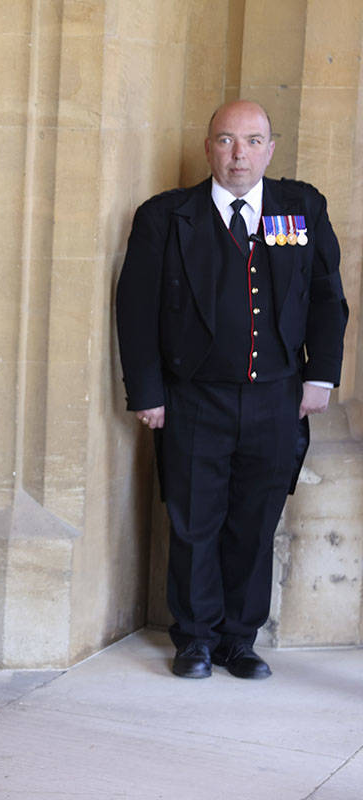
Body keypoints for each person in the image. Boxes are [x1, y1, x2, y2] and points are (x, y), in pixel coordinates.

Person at [115, 99, 348, 681]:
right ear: (208, 148)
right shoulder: (166, 217)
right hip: (194, 396)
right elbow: (135, 309)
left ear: (270, 149)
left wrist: (320, 375)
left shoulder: (301, 208)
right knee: (194, 520)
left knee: (255, 520)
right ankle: (194, 639)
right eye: (225, 140)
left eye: (251, 140)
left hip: (278, 396)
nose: (238, 153)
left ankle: (238, 641)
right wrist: (147, 392)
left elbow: (326, 295)